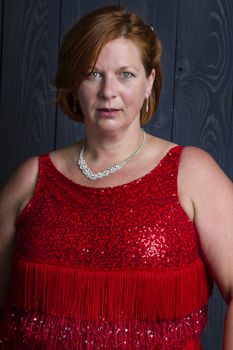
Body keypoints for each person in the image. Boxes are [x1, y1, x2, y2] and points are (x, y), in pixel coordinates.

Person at [0, 5, 233, 349]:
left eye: (125, 74)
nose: (108, 91)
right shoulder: (31, 178)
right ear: (73, 83)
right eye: (93, 73)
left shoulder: (192, 173)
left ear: (149, 82)